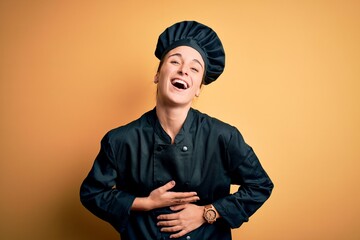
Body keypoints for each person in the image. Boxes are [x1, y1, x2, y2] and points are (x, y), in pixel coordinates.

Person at [80, 20, 274, 240]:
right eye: (175, 61)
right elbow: (92, 193)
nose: (183, 70)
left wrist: (206, 212)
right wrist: (145, 203)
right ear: (157, 74)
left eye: (194, 68)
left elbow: (260, 185)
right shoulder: (120, 140)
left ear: (199, 87)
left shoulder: (224, 136)